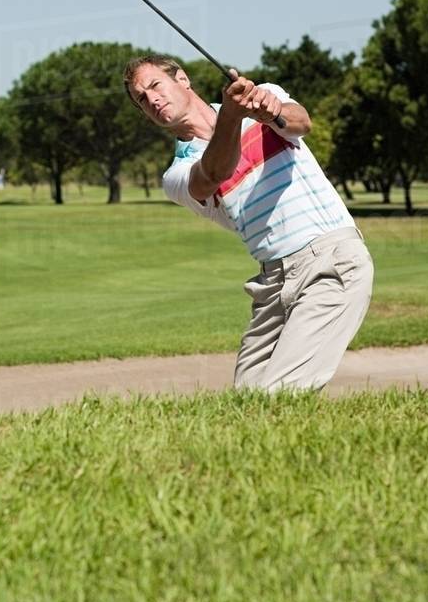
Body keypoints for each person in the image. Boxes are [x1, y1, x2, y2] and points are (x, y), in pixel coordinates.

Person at [124, 55, 374, 393]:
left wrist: (271, 112)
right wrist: (232, 114)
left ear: (182, 79)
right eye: (141, 99)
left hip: (331, 259)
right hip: (272, 283)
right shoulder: (177, 174)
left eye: (155, 85)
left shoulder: (262, 95)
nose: (151, 99)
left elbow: (301, 122)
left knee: (279, 394)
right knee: (248, 399)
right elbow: (213, 173)